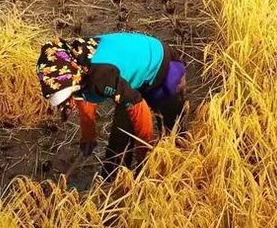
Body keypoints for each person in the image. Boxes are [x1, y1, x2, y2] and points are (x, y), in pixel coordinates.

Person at [36, 32, 187, 180]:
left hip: (160, 66)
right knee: (119, 141)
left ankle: (176, 173)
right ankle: (113, 177)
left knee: (172, 132)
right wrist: (88, 136)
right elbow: (83, 97)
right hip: (129, 77)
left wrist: (144, 155)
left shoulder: (100, 75)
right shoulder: (75, 63)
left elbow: (139, 108)